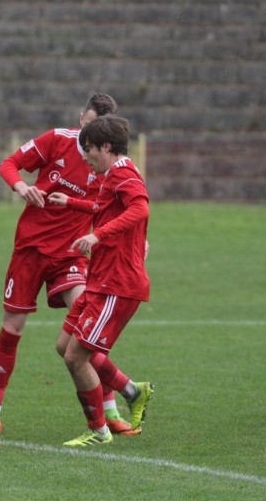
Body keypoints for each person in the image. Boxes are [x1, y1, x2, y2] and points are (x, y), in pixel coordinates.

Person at [0, 94, 153, 437]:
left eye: (96, 130)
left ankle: (109, 414)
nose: (87, 134)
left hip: (71, 255)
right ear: (81, 118)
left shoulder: (109, 168)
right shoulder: (57, 141)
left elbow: (130, 207)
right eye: (86, 123)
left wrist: (134, 238)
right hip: (30, 249)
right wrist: (20, 186)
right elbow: (8, 163)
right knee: (13, 328)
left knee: (83, 337)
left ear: (106, 140)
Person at [48, 114, 151, 447]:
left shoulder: (123, 175)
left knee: (76, 356)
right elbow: (103, 206)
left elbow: (140, 209)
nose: (86, 155)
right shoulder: (112, 174)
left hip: (117, 285)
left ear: (107, 147)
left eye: (90, 149)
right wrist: (73, 203)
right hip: (101, 280)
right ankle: (133, 392)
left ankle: (98, 429)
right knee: (65, 346)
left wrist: (98, 236)